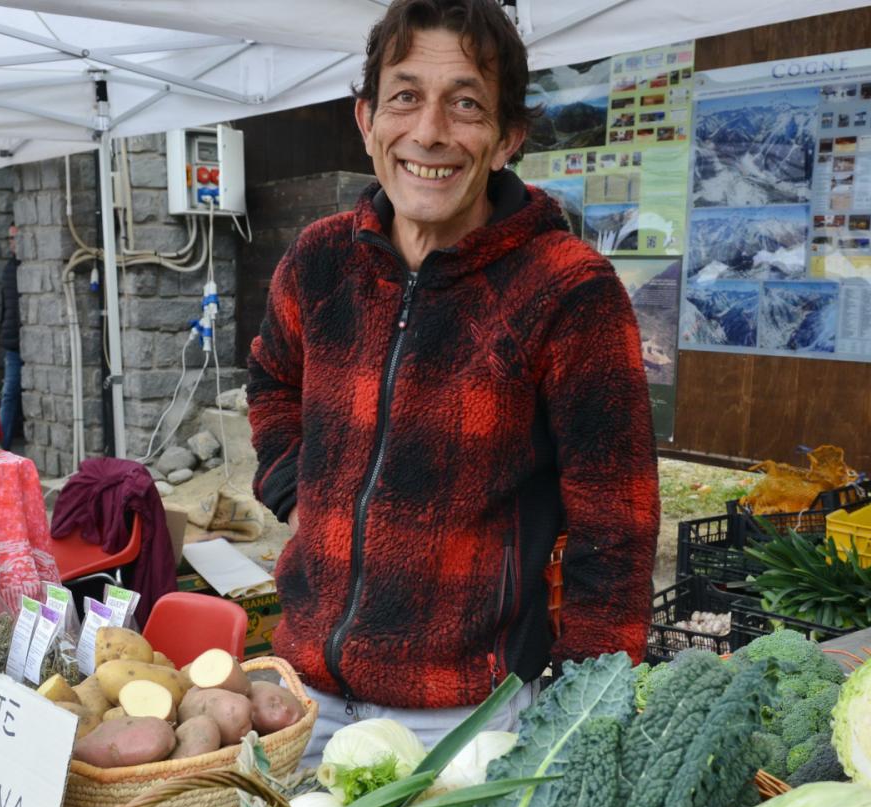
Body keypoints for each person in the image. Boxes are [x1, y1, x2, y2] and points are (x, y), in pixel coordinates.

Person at [248, 0, 659, 765]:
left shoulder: (567, 290)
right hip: (298, 689)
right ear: (366, 119)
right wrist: (294, 485)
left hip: (464, 719)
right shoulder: (321, 260)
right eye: (405, 97)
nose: (430, 132)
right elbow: (271, 376)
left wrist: (581, 715)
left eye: (465, 104)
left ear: (506, 138)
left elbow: (619, 526)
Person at [0, 224, 23, 450]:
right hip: (13, 344)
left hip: (23, 341)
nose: (12, 243)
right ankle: (1, 446)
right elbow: (7, 309)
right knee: (9, 394)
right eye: (10, 239)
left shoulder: (24, 269)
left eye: (15, 238)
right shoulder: (9, 269)